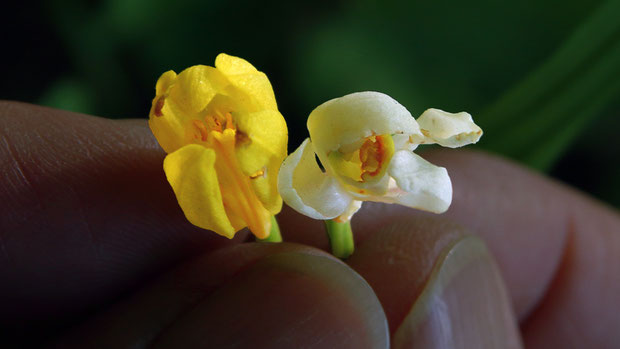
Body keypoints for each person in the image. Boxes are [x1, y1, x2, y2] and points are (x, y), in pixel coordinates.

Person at [1, 101, 618, 349]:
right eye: (366, 152)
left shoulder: (382, 174)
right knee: (285, 262)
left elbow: (436, 155)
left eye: (378, 148)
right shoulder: (304, 177)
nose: (372, 158)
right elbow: (299, 179)